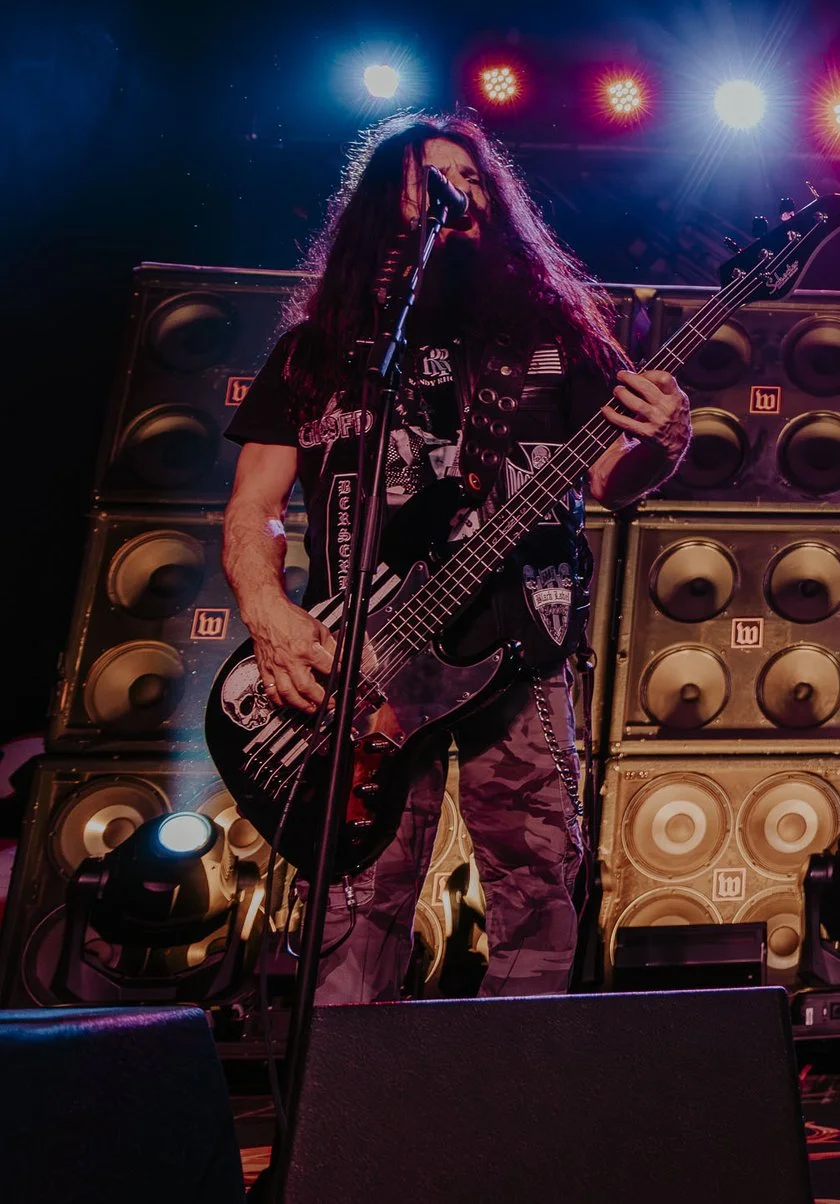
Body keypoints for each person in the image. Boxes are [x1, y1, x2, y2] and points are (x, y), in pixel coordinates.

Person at [222, 113, 690, 1002]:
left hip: (516, 652)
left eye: (473, 178)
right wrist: (269, 614)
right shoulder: (316, 354)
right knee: (356, 900)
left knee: (536, 885)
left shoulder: (555, 336)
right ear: (383, 203)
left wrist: (665, 443)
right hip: (362, 668)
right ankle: (348, 1085)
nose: (460, 193)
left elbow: (614, 478)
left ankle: (515, 1083)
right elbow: (254, 507)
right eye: (433, 178)